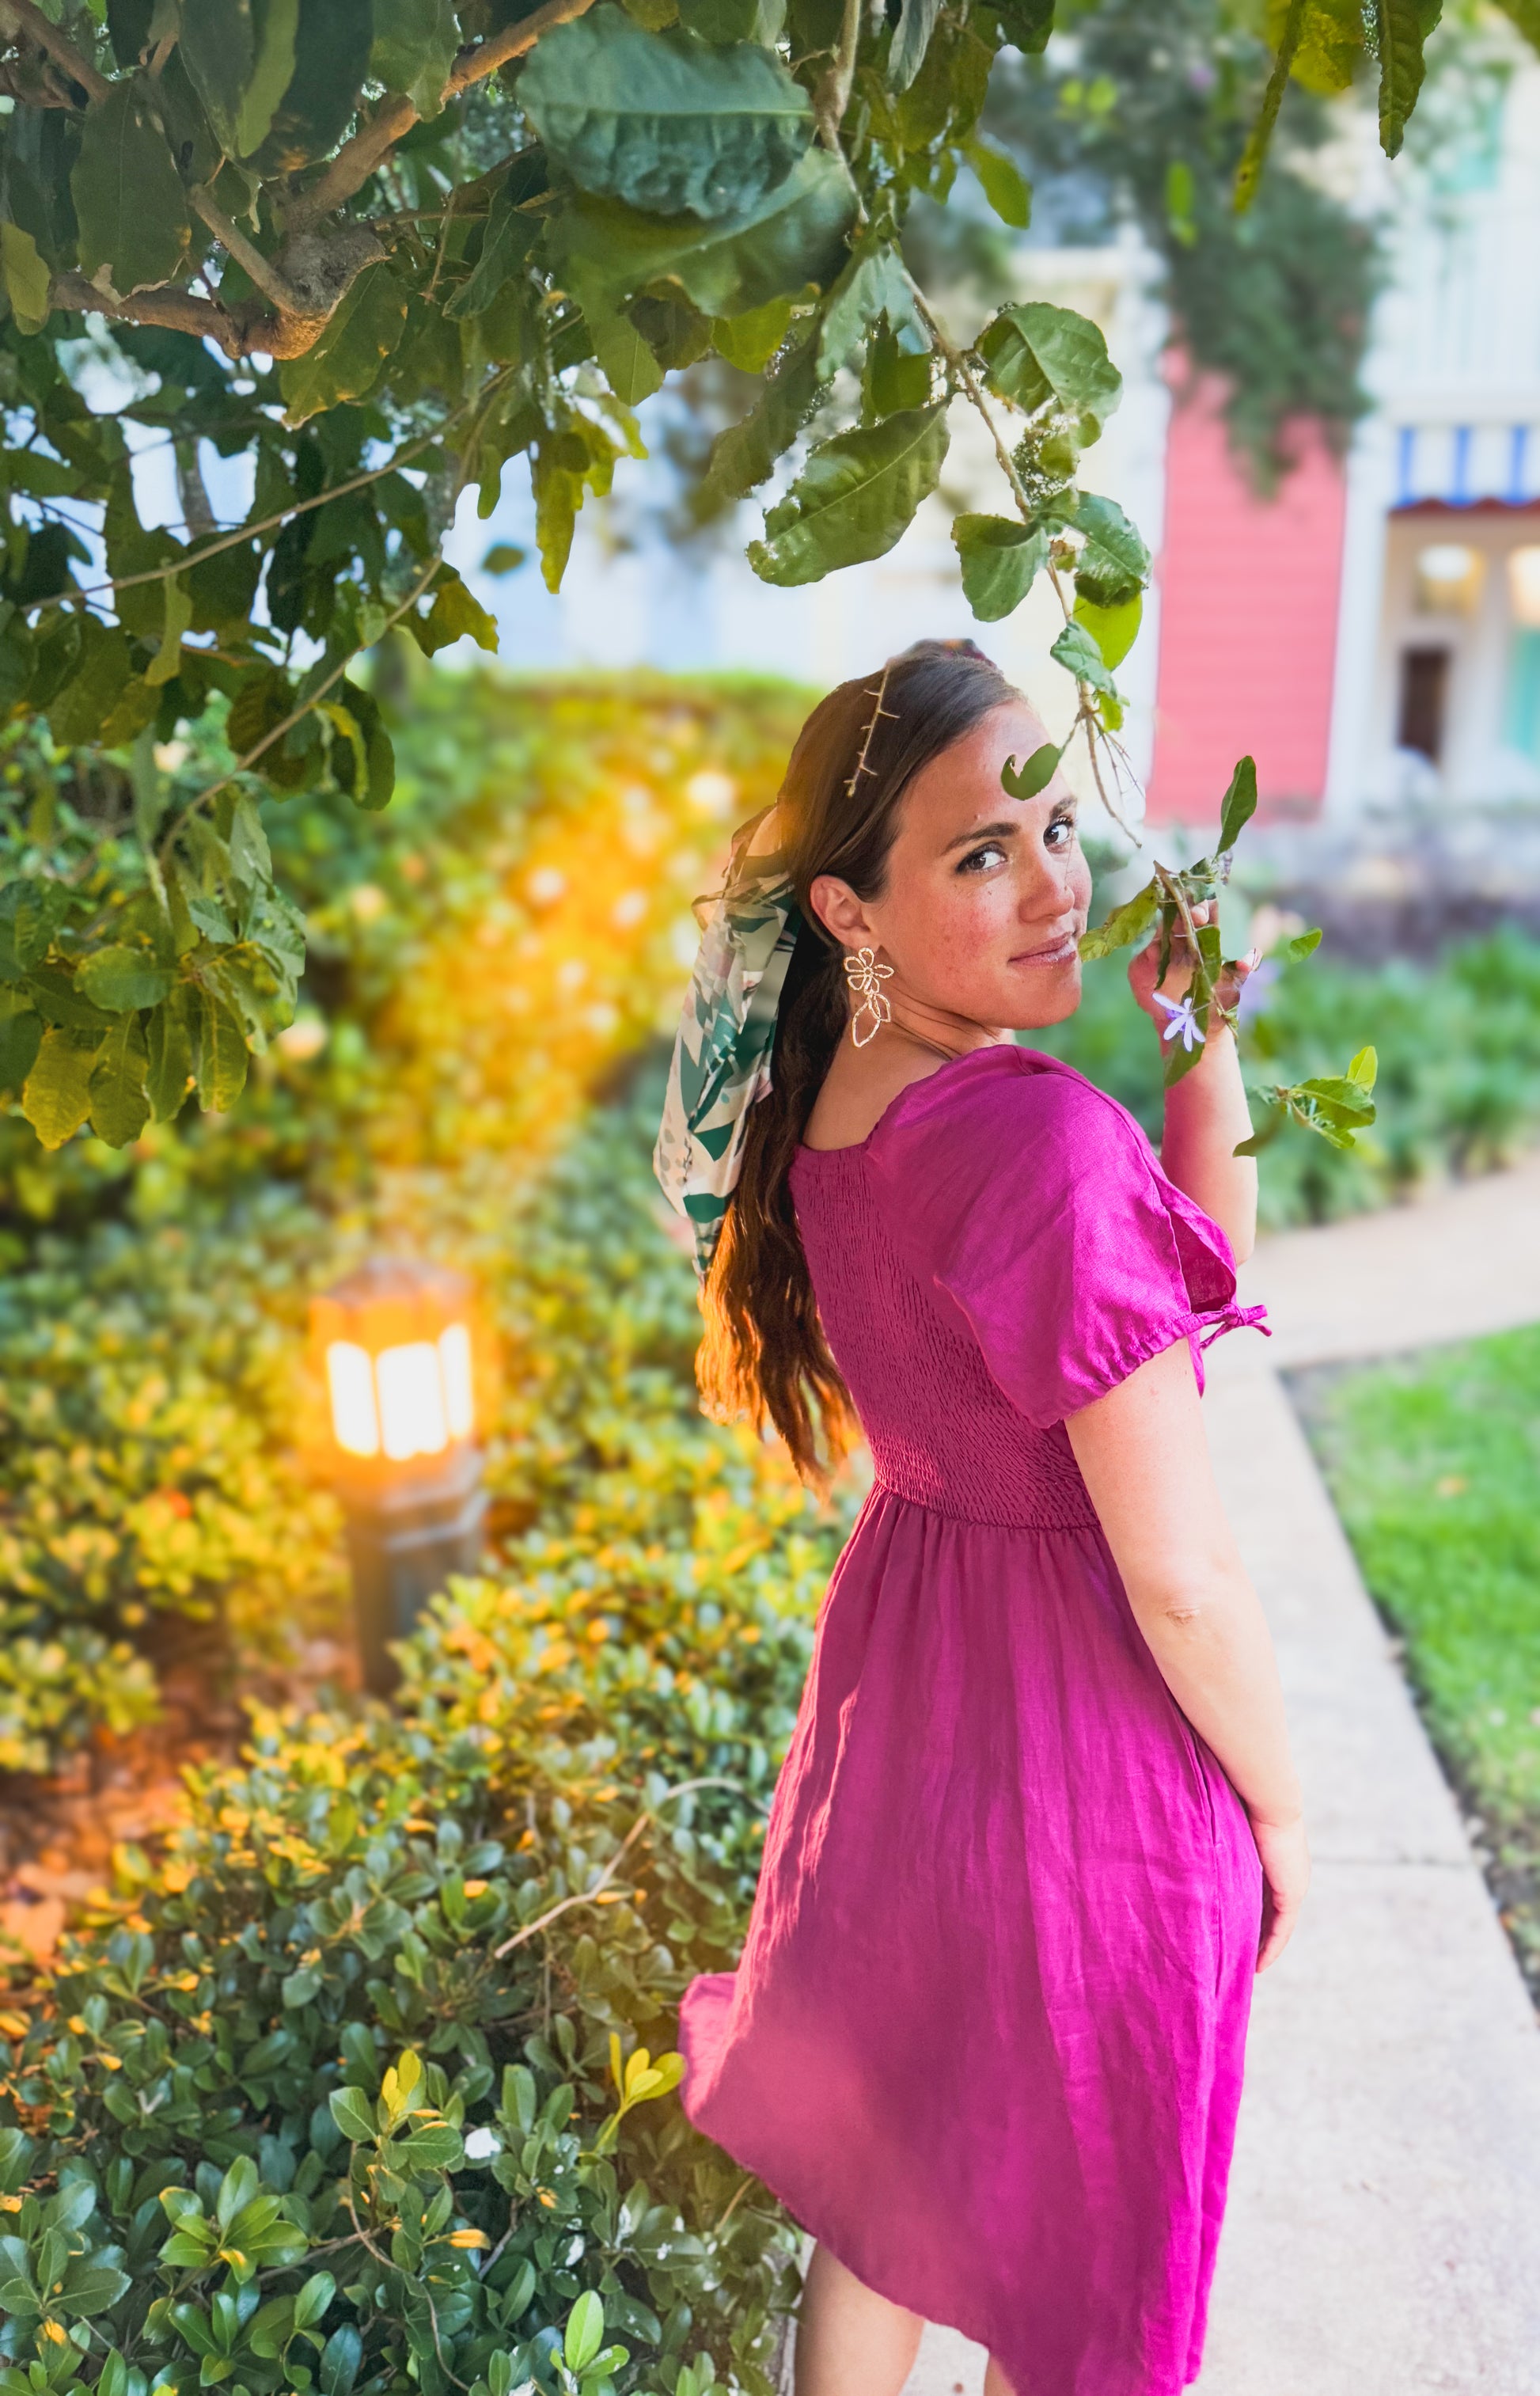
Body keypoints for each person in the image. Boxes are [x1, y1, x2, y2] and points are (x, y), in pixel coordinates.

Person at [654, 640, 1310, 2396]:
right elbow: (1175, 1575)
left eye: (1051, 820)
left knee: (889, 2195)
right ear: (849, 911)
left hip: (910, 1713)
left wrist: (1201, 1039)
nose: (1052, 884)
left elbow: (1175, 1288)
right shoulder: (1037, 1148)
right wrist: (1281, 1808)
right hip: (1083, 1744)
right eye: (977, 853)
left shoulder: (829, 1111)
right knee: (1082, 2259)